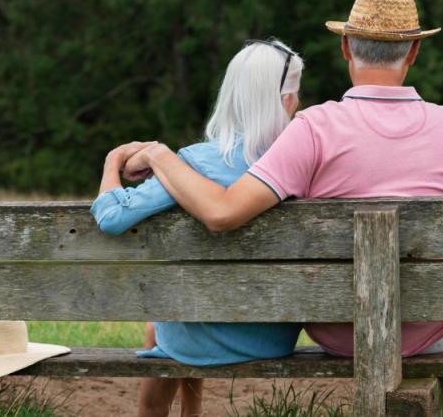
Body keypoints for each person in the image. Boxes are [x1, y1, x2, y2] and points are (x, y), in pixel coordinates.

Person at [122, 0, 443, 362]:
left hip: (339, 332)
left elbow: (222, 213)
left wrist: (160, 156)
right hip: (429, 330)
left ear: (346, 47)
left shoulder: (313, 128)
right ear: (414, 51)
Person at [93, 39, 306, 417]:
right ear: (286, 101)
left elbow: (111, 218)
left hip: (201, 334)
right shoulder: (301, 163)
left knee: (164, 320)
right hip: (273, 336)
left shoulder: (195, 164)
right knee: (178, 314)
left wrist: (112, 162)